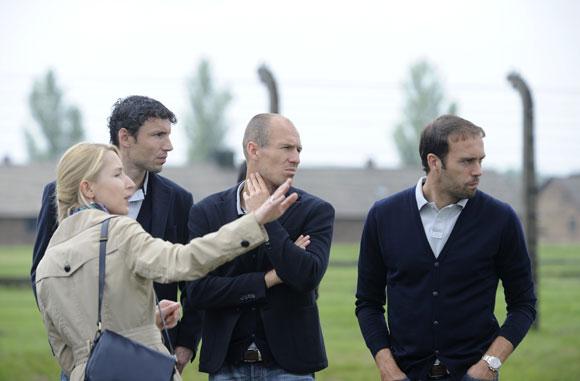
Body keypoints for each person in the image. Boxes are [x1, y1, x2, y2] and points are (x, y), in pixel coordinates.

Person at [35, 142, 297, 381]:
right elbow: (182, 260)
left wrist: (147, 322)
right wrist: (254, 221)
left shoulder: (46, 264)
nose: (129, 183)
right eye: (117, 174)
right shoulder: (119, 231)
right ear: (87, 188)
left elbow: (68, 354)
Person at [355, 115, 536, 381]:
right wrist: (388, 368)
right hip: (405, 375)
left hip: (475, 375)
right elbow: (368, 303)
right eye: (466, 161)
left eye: (480, 160)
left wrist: (488, 366)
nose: (478, 171)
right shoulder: (383, 216)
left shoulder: (501, 219)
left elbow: (524, 304)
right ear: (434, 162)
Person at [30, 95, 198, 373]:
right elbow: (42, 274)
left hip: (156, 355)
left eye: (168, 135)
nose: (168, 145)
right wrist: (71, 345)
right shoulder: (60, 192)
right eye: (158, 135)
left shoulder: (179, 199)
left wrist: (186, 344)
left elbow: (192, 279)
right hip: (86, 358)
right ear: (125, 137)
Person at [182, 113, 335, 380]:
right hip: (226, 366)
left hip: (291, 368)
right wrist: (270, 278)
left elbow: (306, 276)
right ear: (254, 150)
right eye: (286, 147)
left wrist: (265, 220)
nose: (296, 157)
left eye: (298, 149)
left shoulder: (316, 211)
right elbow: (198, 292)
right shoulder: (206, 213)